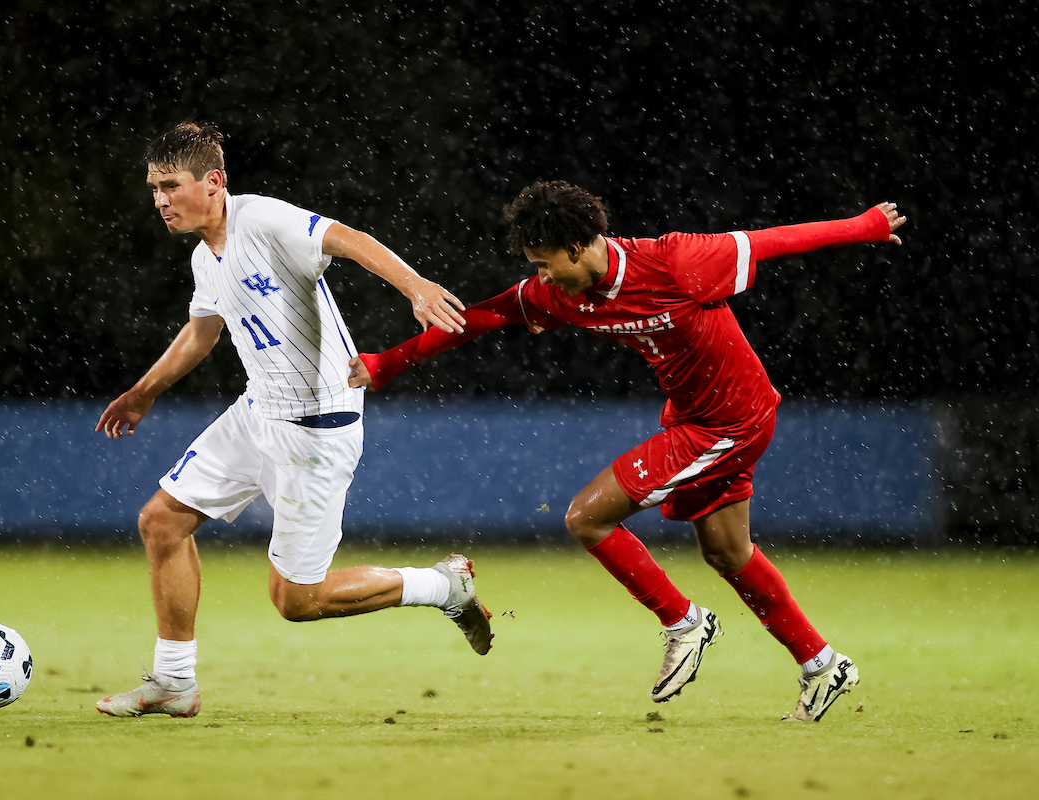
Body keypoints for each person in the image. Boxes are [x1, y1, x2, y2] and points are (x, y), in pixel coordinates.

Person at [348, 180, 906, 721]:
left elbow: (771, 240)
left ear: (577, 247)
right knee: (728, 552)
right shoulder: (560, 293)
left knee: (587, 518)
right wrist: (388, 362)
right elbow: (480, 319)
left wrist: (864, 226)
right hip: (695, 418)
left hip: (728, 423)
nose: (539, 275)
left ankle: (683, 623)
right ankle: (822, 663)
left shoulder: (675, 262)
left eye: (544, 261)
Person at [94, 122, 493, 718]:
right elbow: (203, 333)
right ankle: (175, 683)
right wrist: (143, 391)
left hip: (316, 426)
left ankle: (441, 586)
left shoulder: (263, 219)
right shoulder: (208, 257)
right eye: (153, 188)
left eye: (169, 185)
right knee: (162, 522)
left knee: (297, 601)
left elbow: (350, 239)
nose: (159, 200)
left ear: (213, 182)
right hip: (260, 410)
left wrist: (415, 288)